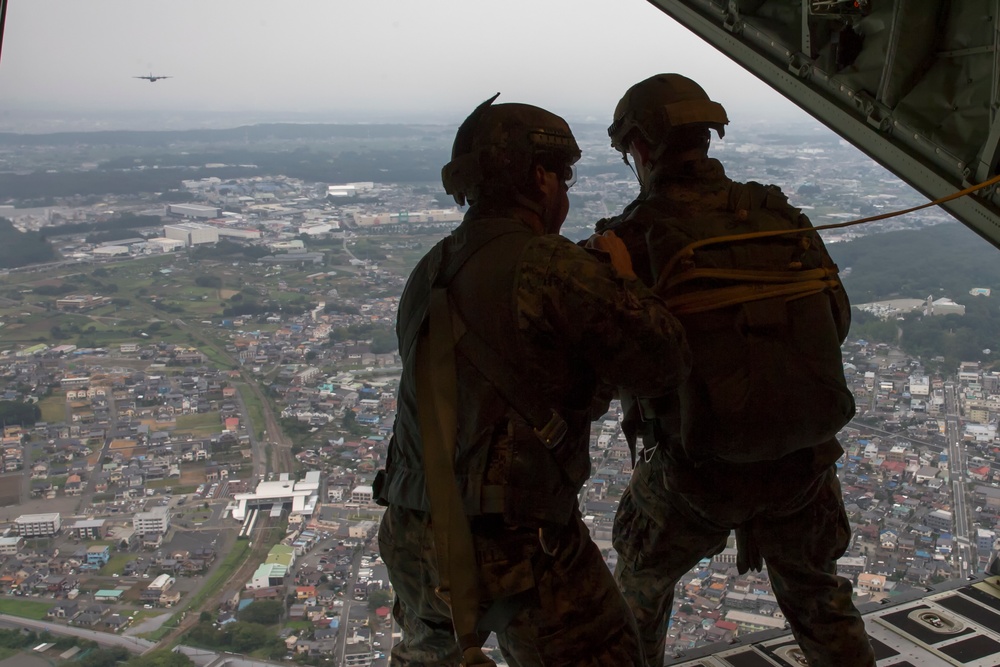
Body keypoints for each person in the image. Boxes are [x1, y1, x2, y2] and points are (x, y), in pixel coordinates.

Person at [374, 95, 690, 667]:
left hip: (412, 529)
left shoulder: (430, 269)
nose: (564, 194)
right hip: (515, 542)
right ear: (540, 178)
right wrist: (621, 277)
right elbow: (662, 360)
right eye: (563, 178)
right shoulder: (550, 265)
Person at [600, 74, 876, 667]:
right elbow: (836, 317)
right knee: (819, 597)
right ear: (706, 138)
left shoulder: (630, 240)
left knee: (638, 601)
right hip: (802, 463)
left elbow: (618, 363)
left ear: (641, 149)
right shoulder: (776, 213)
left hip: (694, 473)